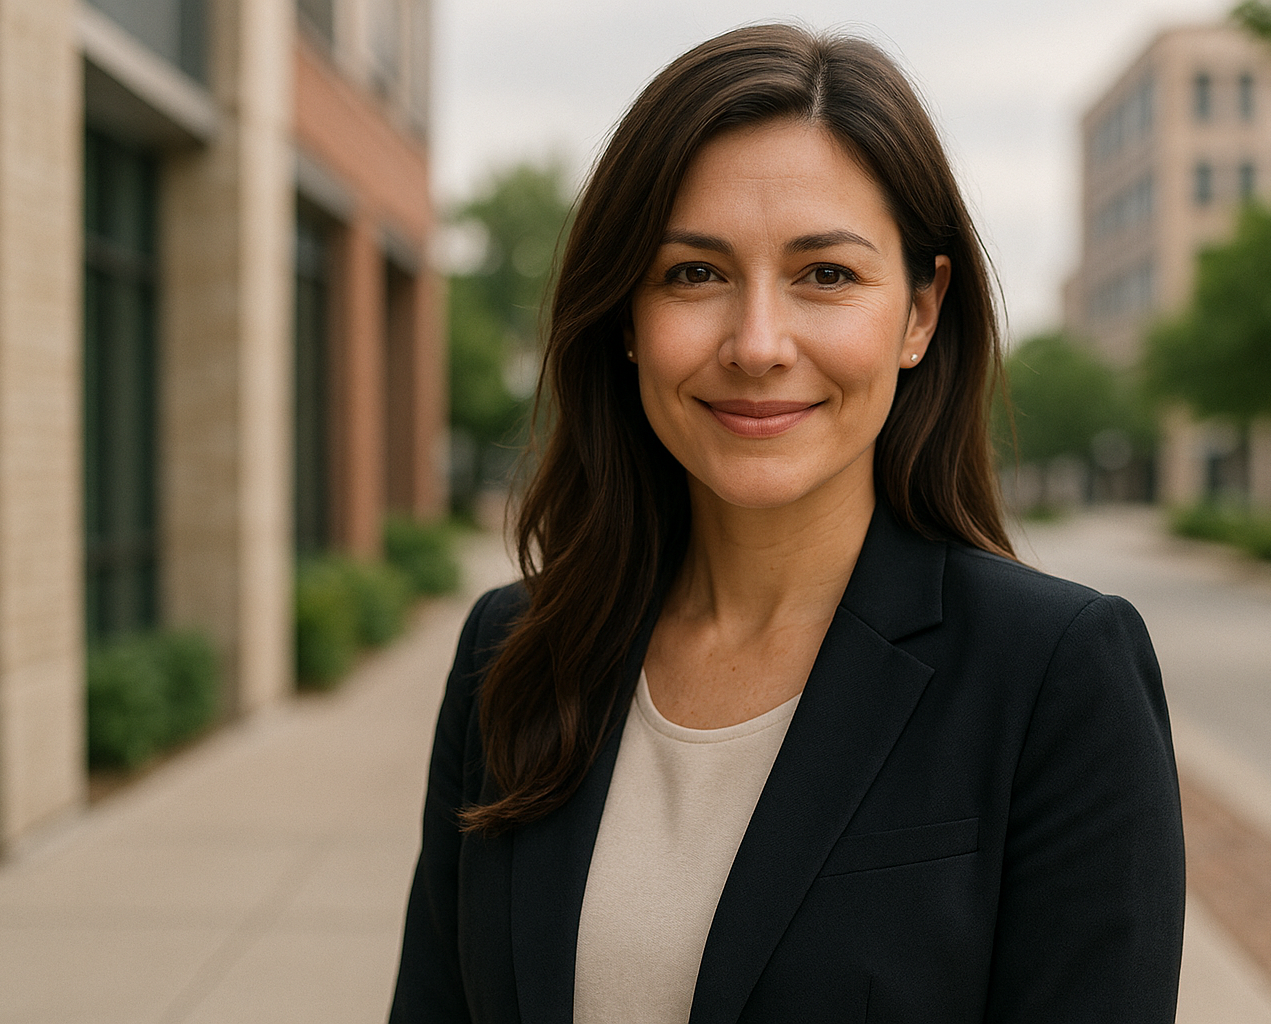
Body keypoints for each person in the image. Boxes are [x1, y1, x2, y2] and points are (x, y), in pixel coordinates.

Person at [390, 23, 1183, 1024]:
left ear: (920, 313)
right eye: (694, 273)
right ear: (627, 316)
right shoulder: (512, 652)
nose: (758, 344)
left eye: (827, 275)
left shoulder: (1054, 676)